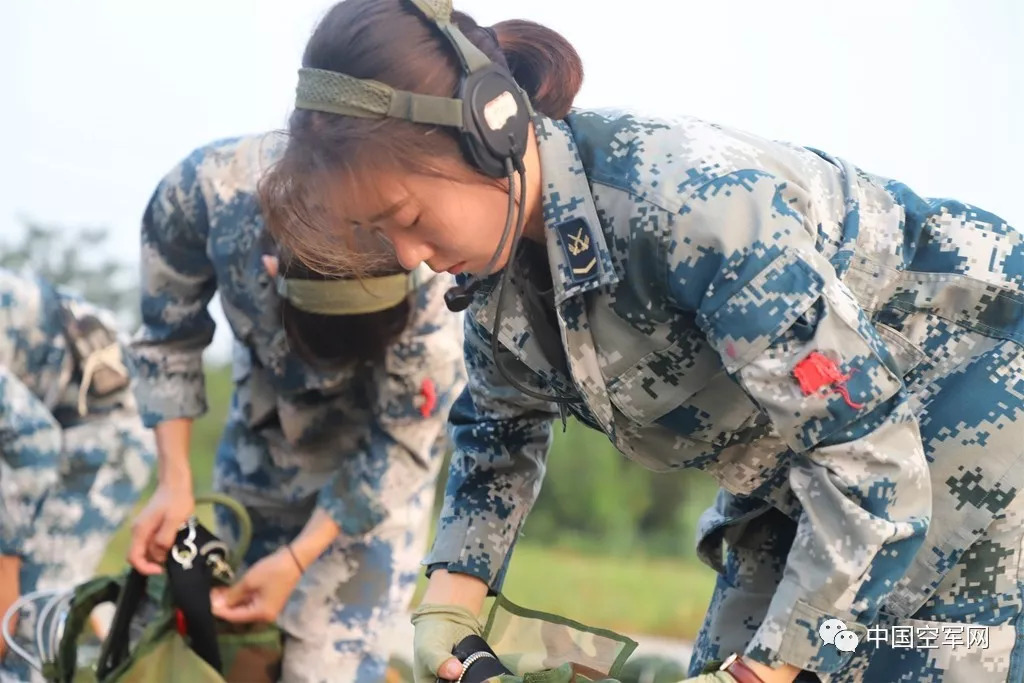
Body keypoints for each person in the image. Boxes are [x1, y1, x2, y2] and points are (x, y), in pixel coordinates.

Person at [257, 1, 1024, 682]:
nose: (406, 258)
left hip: (963, 401)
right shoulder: (497, 274)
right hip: (801, 473)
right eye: (380, 232)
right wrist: (448, 608)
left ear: (491, 130)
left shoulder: (692, 206)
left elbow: (870, 459)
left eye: (409, 216)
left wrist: (769, 670)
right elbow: (497, 430)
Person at [127, 132, 467, 683]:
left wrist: (298, 559)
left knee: (322, 668)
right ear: (269, 272)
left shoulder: (428, 269)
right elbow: (167, 336)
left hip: (369, 477)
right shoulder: (205, 193)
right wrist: (174, 480)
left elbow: (406, 438)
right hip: (261, 452)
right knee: (235, 656)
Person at [0, 267, 157, 683]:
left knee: (27, 623)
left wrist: (5, 565)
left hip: (103, 426)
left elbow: (32, 442)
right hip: (35, 421)